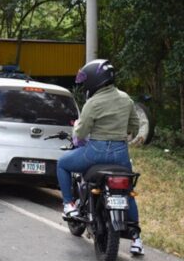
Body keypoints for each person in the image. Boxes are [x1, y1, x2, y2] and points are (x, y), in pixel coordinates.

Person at [56, 59, 144, 255]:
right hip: (121, 154)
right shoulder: (126, 98)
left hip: (95, 152)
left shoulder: (93, 102)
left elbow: (81, 132)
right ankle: (137, 240)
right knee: (127, 192)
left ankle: (69, 205)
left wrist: (78, 129)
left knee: (62, 164)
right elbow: (135, 126)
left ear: (95, 80)